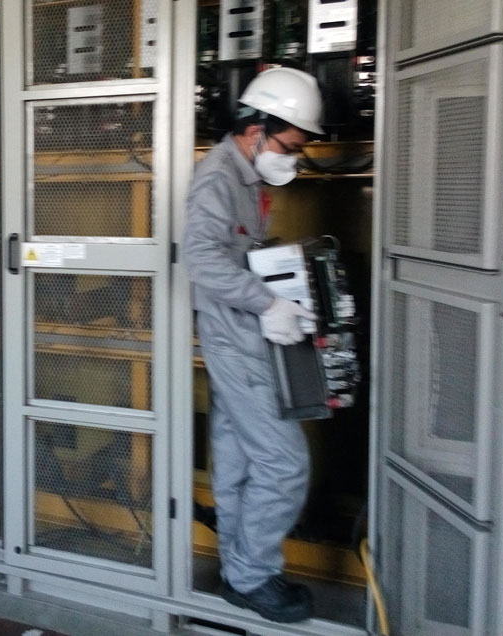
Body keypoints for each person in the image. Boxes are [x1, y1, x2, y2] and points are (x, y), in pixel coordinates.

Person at [183, 66, 324, 624]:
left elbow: (238, 255)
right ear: (255, 129)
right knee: (284, 464)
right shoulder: (219, 178)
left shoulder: (246, 177)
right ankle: (252, 575)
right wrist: (269, 305)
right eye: (289, 146)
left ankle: (240, 571)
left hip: (242, 337)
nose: (292, 158)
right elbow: (202, 261)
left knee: (240, 457)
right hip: (235, 341)